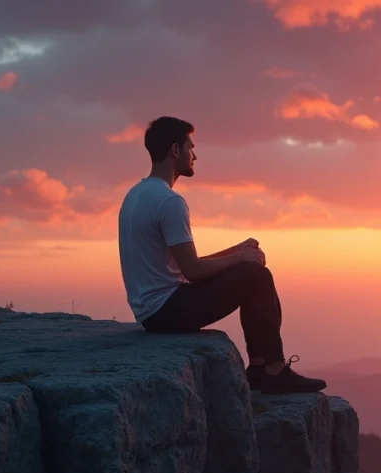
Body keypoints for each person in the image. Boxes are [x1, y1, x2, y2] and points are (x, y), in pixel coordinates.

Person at [116, 116, 327, 394]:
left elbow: (182, 264)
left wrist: (237, 250)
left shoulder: (136, 194)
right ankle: (274, 370)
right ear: (175, 150)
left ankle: (258, 369)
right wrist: (240, 260)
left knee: (250, 273)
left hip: (151, 311)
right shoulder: (170, 202)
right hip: (166, 311)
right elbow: (192, 271)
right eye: (191, 147)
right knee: (257, 277)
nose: (195, 155)